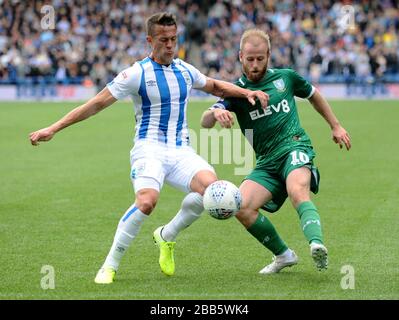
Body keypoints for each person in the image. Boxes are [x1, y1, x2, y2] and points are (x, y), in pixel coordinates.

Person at [29, 13, 268, 284]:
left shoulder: (185, 70)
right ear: (149, 40)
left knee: (212, 192)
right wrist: (53, 128)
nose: (170, 45)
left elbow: (214, 86)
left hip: (181, 151)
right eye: (164, 40)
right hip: (148, 149)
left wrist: (246, 93)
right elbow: (95, 104)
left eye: (173, 39)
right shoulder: (136, 74)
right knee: (146, 202)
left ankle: (166, 236)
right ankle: (110, 265)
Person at [201, 29, 351, 274]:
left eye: (260, 58)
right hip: (266, 162)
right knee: (242, 207)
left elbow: (314, 95)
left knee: (297, 189)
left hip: (294, 146)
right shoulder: (236, 91)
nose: (255, 64)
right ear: (240, 56)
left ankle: (316, 244)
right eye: (250, 59)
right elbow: (205, 123)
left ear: (269, 55)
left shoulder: (286, 78)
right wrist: (214, 112)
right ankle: (283, 255)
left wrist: (335, 126)